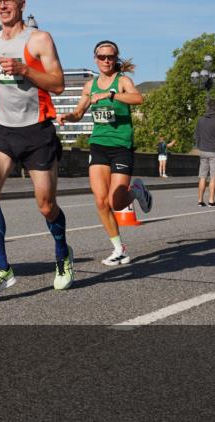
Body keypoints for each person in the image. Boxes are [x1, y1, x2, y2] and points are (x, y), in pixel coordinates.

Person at [0, 0, 72, 298]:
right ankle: (1, 268)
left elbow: (58, 84)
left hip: (37, 131)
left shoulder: (39, 39)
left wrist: (24, 69)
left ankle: (62, 254)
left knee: (46, 206)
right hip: (3, 130)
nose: (3, 6)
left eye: (9, 1)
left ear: (22, 4)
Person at [60, 40, 151, 266]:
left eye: (110, 57)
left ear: (115, 59)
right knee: (101, 202)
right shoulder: (90, 86)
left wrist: (111, 95)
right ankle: (119, 249)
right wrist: (67, 117)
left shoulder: (122, 81)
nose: (106, 61)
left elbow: (138, 99)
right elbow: (79, 113)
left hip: (121, 146)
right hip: (99, 145)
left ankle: (137, 190)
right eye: (102, 57)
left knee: (116, 203)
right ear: (95, 59)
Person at [194, 98, 215, 207]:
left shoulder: (201, 119)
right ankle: (211, 200)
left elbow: (197, 135)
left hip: (203, 150)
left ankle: (200, 201)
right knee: (213, 177)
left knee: (202, 176)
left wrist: (200, 146)